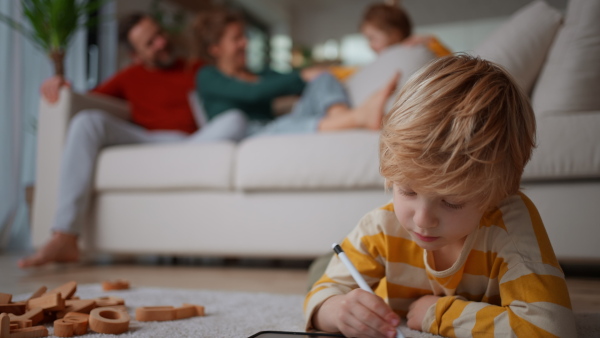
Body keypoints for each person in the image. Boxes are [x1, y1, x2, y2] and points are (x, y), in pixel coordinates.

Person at [304, 55, 577, 337]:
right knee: (322, 272)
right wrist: (338, 311)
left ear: (499, 194)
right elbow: (321, 296)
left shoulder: (509, 225)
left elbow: (552, 329)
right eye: (407, 190)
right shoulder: (381, 227)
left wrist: (439, 313)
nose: (423, 220)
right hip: (367, 268)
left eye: (452, 201)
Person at [19, 13, 247, 268]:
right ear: (135, 55)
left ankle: (187, 157)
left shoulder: (195, 69)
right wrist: (58, 83)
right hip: (145, 141)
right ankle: (64, 236)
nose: (161, 43)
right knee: (87, 121)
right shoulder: (128, 77)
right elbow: (86, 99)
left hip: (192, 142)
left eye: (159, 34)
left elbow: (235, 91)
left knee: (234, 120)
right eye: (150, 43)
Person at [193, 7, 400, 137]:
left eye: (244, 36)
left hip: (276, 124)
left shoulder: (260, 73)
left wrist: (399, 42)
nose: (245, 42)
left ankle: (346, 118)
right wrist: (300, 75)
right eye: (236, 38)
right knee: (279, 127)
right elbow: (251, 92)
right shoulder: (208, 76)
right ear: (215, 48)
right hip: (251, 134)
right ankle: (357, 119)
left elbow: (297, 79)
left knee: (321, 76)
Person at [360, 2, 451, 57]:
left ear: (394, 34)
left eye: (372, 38)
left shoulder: (418, 49)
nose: (370, 45)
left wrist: (431, 43)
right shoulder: (382, 61)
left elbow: (451, 63)